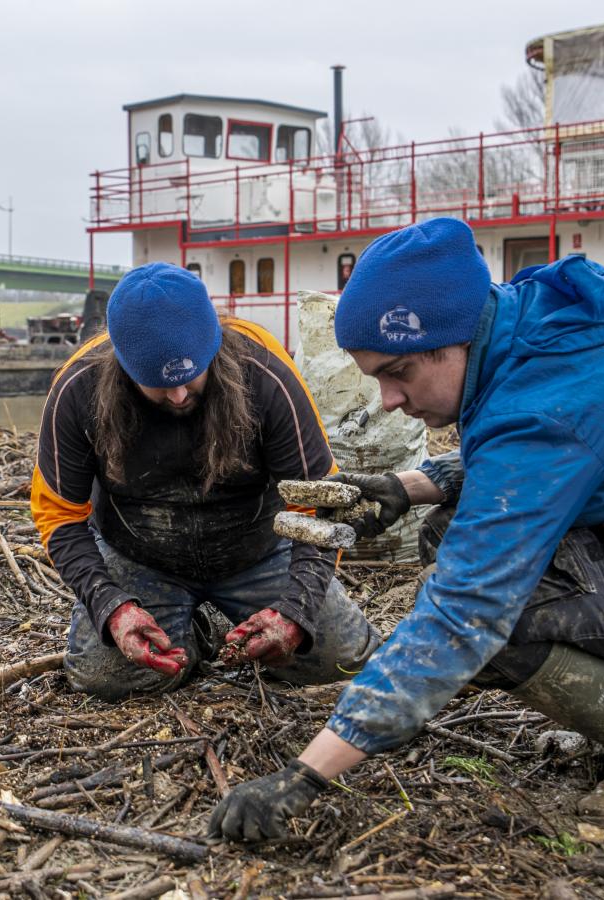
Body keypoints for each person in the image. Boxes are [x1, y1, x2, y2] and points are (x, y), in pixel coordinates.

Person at [208, 218, 604, 840]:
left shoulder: (542, 403)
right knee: (451, 534)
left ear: (449, 341)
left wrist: (305, 775)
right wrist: (410, 486)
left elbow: (468, 610)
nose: (389, 399)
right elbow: (568, 452)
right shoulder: (532, 325)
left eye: (397, 372)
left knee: (493, 624)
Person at [33, 262, 381, 698]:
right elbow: (59, 517)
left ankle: (231, 613)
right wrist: (110, 606)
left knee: (343, 663)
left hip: (258, 552)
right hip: (139, 557)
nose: (178, 396)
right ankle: (193, 627)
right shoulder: (77, 388)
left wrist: (296, 609)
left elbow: (317, 504)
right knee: (108, 681)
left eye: (188, 376)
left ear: (213, 345)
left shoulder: (265, 370)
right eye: (157, 385)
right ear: (123, 365)